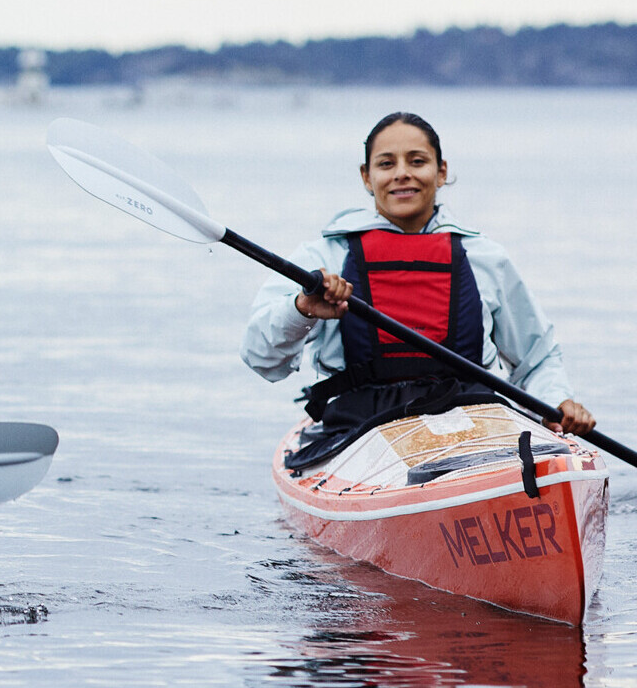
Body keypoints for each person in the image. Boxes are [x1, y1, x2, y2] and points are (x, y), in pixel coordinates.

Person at [241, 112, 594, 468]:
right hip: (360, 429)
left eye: (417, 161)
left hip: (475, 417)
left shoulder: (486, 257)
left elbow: (537, 355)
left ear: (441, 172)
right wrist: (301, 308)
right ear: (367, 177)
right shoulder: (324, 256)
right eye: (386, 163)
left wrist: (556, 401)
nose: (401, 174)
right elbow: (261, 357)